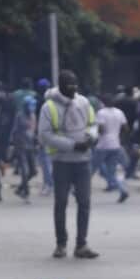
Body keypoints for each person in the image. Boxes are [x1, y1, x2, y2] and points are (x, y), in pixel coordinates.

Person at [38, 70, 99, 259]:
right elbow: (45, 135)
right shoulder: (49, 107)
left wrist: (91, 137)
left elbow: (93, 123)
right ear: (61, 87)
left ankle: (81, 245)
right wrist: (72, 145)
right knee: (61, 203)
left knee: (85, 203)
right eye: (69, 87)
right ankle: (61, 244)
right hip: (62, 162)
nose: (73, 90)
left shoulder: (84, 102)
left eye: (75, 86)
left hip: (83, 162)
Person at [93, 96, 131, 203]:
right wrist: (117, 135)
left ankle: (78, 190)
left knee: (90, 169)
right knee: (111, 172)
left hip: (103, 145)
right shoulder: (119, 112)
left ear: (103, 103)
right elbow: (126, 128)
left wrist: (96, 134)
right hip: (115, 144)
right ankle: (122, 191)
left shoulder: (101, 113)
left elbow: (101, 129)